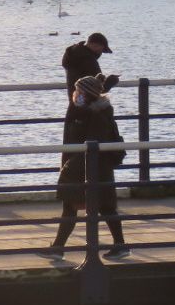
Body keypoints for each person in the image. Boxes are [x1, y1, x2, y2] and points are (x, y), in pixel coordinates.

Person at [46, 74, 129, 259]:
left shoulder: (94, 115)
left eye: (78, 91)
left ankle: (59, 248)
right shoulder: (91, 111)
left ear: (86, 94)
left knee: (79, 205)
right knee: (100, 206)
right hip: (94, 167)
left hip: (90, 168)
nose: (75, 94)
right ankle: (59, 247)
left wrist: (70, 166)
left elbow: (92, 143)